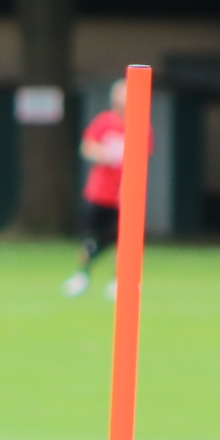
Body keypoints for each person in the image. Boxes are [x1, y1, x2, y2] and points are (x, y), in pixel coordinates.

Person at [64, 79, 127, 300]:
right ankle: (82, 274)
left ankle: (119, 280)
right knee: (90, 238)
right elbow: (87, 147)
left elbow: (143, 158)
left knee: (122, 241)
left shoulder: (140, 126)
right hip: (99, 193)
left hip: (124, 195)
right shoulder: (104, 122)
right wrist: (102, 154)